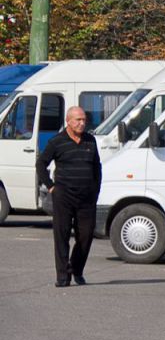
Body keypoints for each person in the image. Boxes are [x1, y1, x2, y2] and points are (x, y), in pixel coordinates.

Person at [36, 106, 101, 287]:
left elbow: (97, 167)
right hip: (64, 196)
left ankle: (77, 269)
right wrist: (51, 187)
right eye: (78, 120)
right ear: (68, 121)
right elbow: (41, 164)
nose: (82, 123)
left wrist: (96, 190)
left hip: (87, 198)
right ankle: (63, 276)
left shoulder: (90, 141)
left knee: (86, 236)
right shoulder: (57, 142)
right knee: (62, 235)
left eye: (84, 120)